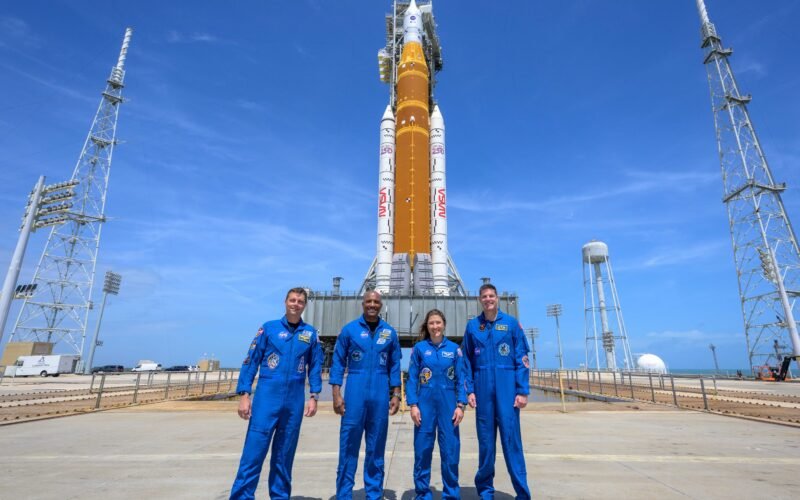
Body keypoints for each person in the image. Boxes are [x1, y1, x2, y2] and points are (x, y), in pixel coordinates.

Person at [230, 287, 322, 500]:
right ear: (285, 302)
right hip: (266, 399)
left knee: (284, 456)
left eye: (300, 301)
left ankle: (280, 496)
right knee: (253, 454)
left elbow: (315, 367)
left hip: (294, 402)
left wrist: (314, 396)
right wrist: (244, 394)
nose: (295, 304)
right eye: (292, 300)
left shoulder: (310, 334)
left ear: (304, 305)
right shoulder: (268, 329)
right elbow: (250, 361)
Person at [329, 290, 402, 499]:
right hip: (355, 390)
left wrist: (396, 394)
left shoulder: (389, 333)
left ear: (381, 305)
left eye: (376, 302)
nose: (372, 304)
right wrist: (336, 393)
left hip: (380, 392)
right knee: (348, 446)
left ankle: (374, 493)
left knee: (376, 447)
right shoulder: (349, 330)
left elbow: (394, 365)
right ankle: (344, 494)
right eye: (369, 301)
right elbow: (338, 362)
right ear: (363, 303)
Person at [462, 283, 532, 499]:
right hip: (483, 392)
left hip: (507, 390)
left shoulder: (511, 325)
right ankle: (485, 492)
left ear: (497, 298)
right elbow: (466, 361)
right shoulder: (473, 327)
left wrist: (522, 390)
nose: (488, 299)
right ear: (479, 299)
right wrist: (469, 390)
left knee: (512, 443)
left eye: (491, 295)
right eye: (484, 296)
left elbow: (522, 358)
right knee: (486, 445)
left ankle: (522, 493)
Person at [406, 309, 467, 499]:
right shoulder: (419, 349)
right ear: (427, 325)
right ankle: (423, 493)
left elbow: (461, 378)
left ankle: (450, 494)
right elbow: (412, 379)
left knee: (450, 451)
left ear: (444, 324)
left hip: (449, 405)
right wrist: (413, 405)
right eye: (432, 323)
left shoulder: (455, 350)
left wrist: (461, 405)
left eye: (438, 322)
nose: (435, 326)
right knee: (423, 450)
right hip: (425, 404)